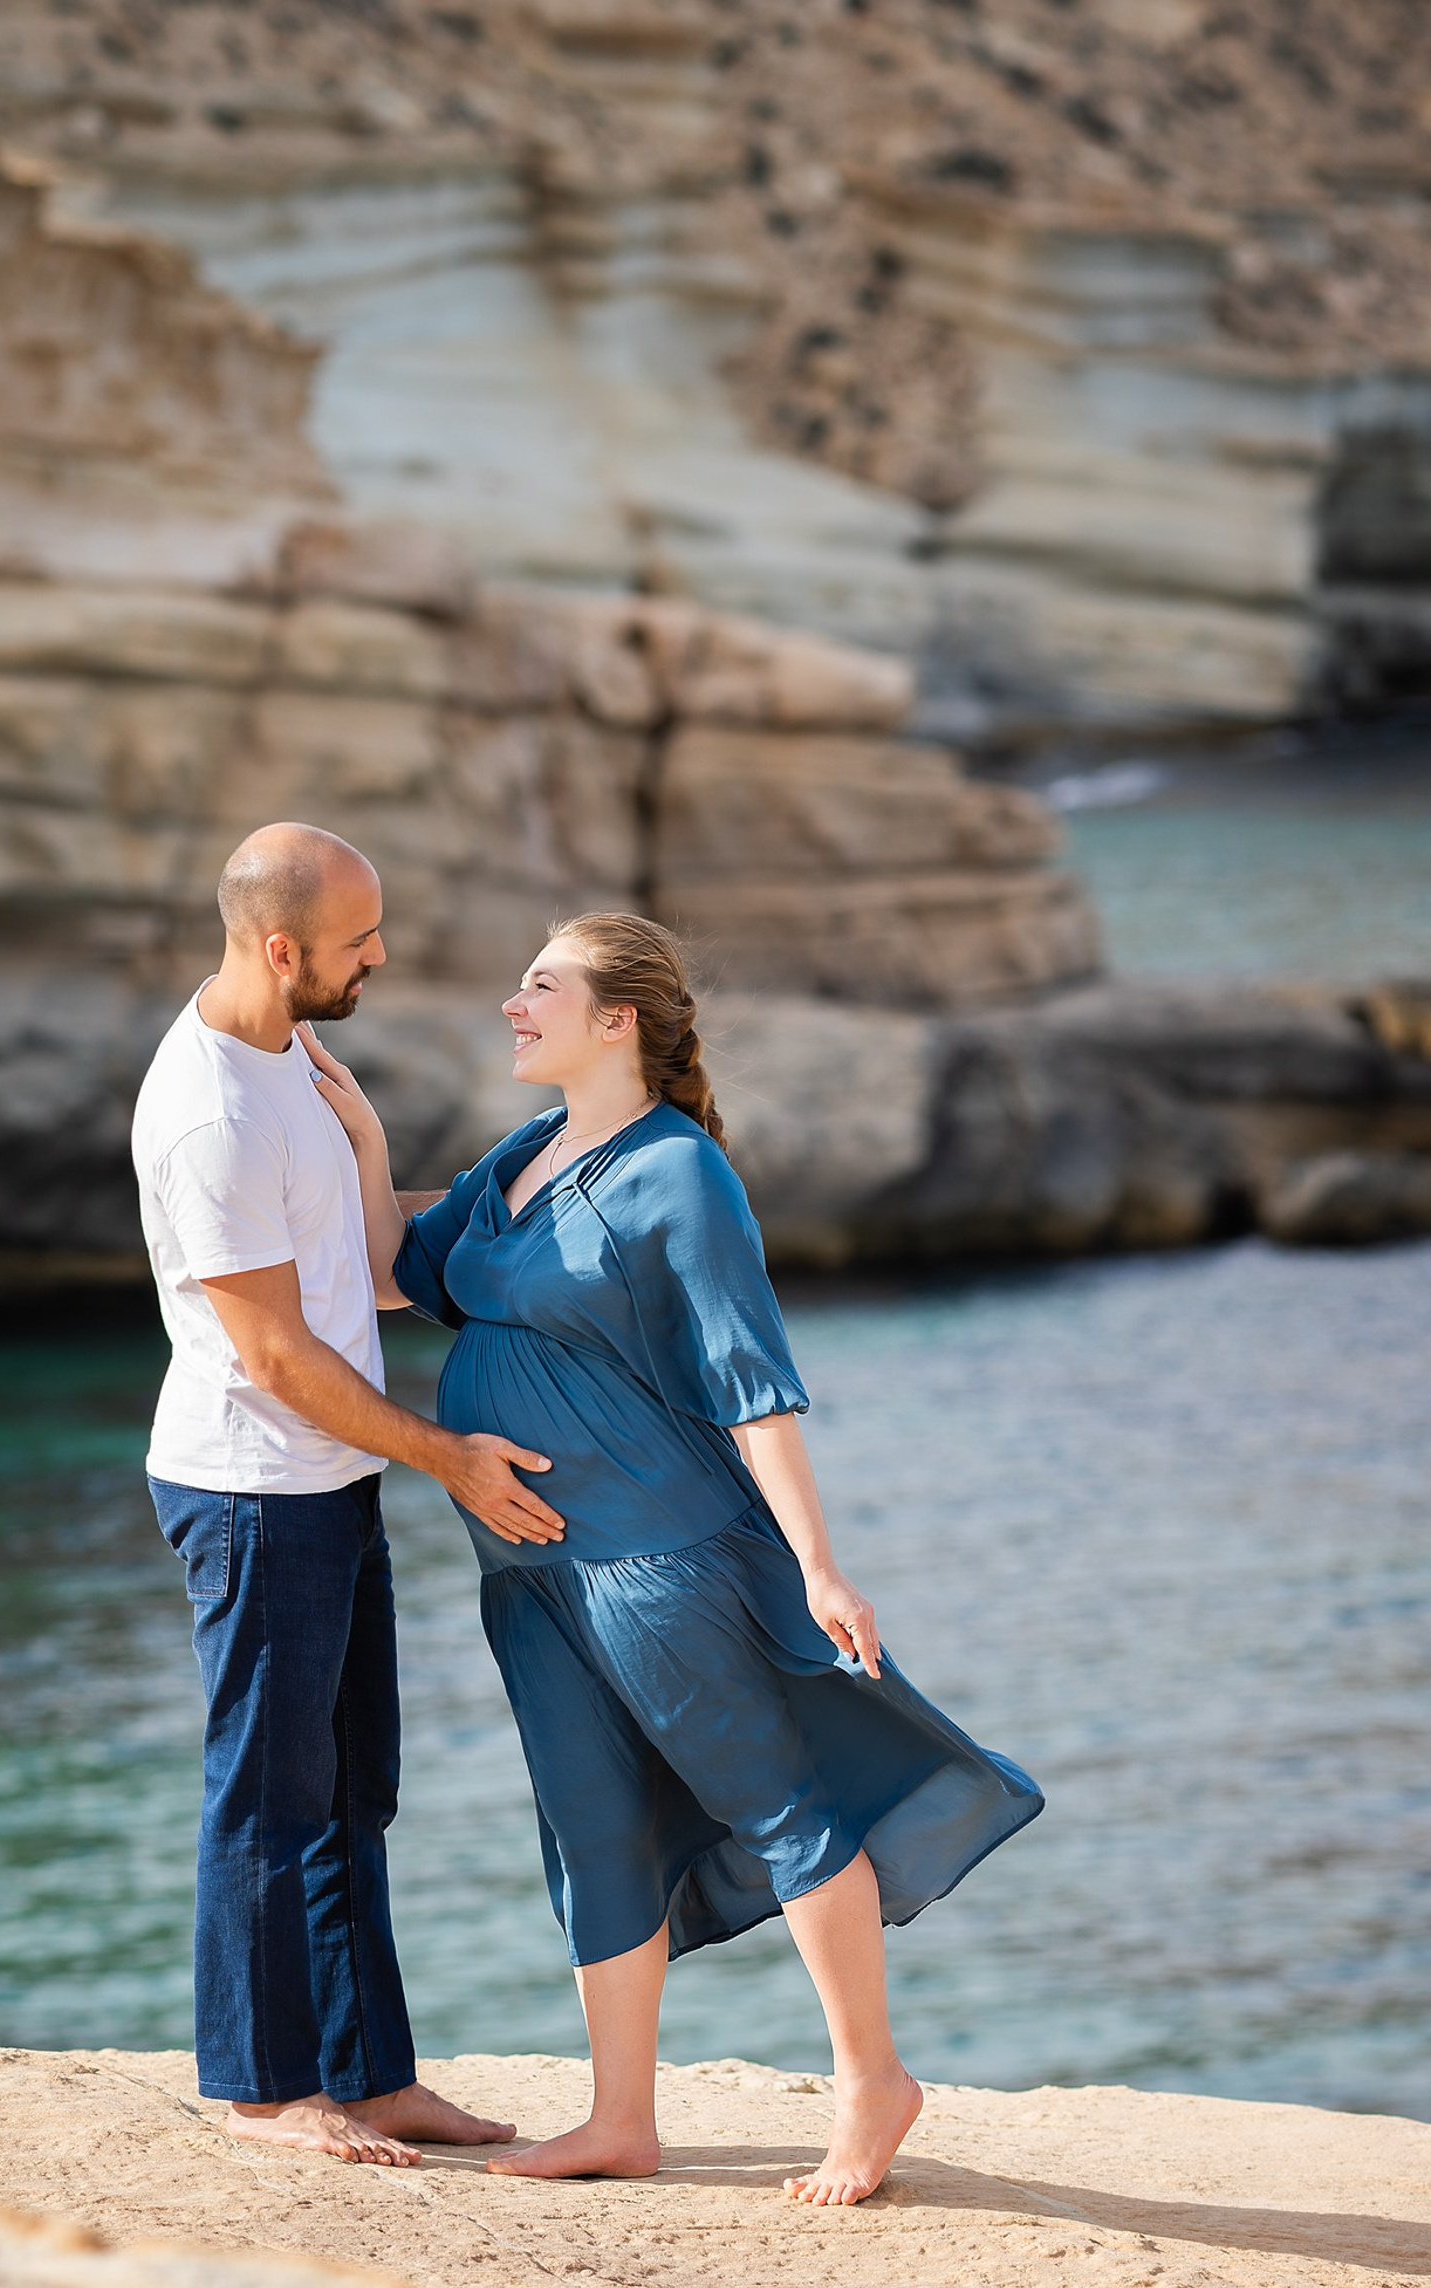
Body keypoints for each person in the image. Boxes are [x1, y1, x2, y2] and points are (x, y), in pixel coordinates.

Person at [304, 910, 1043, 2207]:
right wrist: (363, 1137)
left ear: (617, 1021)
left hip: (659, 1551)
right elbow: (390, 1274)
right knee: (592, 1827)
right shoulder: (527, 1154)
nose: (511, 1005)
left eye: (541, 987)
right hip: (527, 1571)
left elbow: (753, 1380)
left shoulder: (678, 1173)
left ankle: (874, 2084)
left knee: (781, 1804)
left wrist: (821, 1566)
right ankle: (619, 2118)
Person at [131, 822, 553, 2166]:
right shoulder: (212, 1110)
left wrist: (388, 1149)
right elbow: (272, 1352)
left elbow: (364, 1270)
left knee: (351, 1787)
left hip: (326, 1479)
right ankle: (263, 2089)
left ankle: (369, 2075)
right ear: (279, 946)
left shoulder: (294, 1066)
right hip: (254, 1494)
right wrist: (448, 1457)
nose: (378, 958)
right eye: (358, 941)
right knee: (265, 1791)